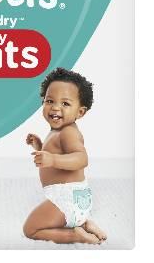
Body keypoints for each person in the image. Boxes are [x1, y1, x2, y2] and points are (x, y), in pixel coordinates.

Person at [23, 67, 106, 244]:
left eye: (65, 104)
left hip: (65, 198)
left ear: (80, 112)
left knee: (30, 229)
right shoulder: (58, 131)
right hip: (78, 199)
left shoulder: (68, 132)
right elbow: (55, 156)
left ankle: (75, 235)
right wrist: (39, 146)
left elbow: (81, 158)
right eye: (50, 101)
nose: (55, 107)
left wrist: (52, 159)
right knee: (63, 218)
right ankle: (85, 224)